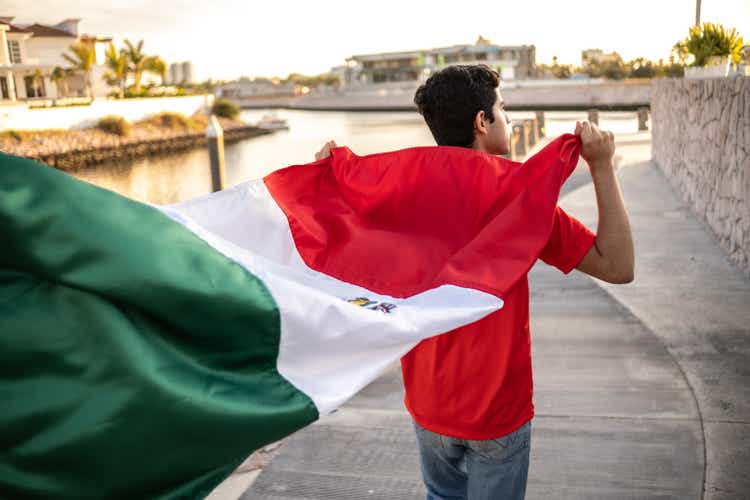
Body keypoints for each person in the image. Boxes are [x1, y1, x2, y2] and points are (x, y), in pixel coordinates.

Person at [313, 64, 634, 500]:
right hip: (495, 413)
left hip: (429, 406)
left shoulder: (398, 194)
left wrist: (332, 178)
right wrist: (602, 167)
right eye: (503, 108)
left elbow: (335, 237)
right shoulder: (519, 199)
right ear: (482, 122)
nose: (509, 117)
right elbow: (617, 265)